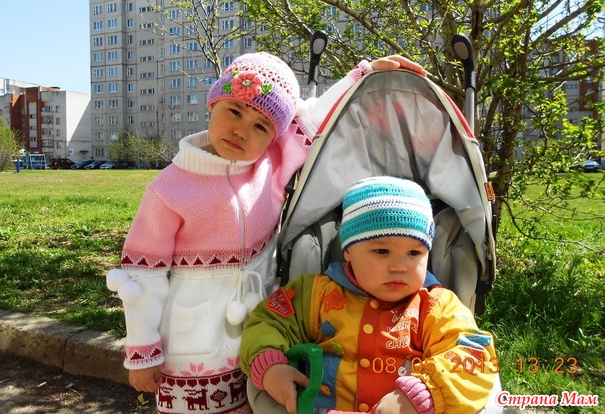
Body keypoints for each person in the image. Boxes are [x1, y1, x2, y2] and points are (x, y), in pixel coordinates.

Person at [106, 52, 427, 414]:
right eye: (234, 111)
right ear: (212, 104)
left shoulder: (272, 166)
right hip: (191, 343)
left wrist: (363, 73)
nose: (242, 131)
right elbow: (142, 276)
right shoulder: (169, 190)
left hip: (258, 332)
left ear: (275, 136)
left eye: (261, 127)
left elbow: (314, 119)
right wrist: (143, 349)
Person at [240, 176, 498, 414]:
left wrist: (423, 394)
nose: (400, 266)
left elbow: (474, 355)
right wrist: (271, 366)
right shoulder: (315, 294)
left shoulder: (435, 306)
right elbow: (268, 323)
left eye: (414, 253)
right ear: (348, 251)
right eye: (382, 251)